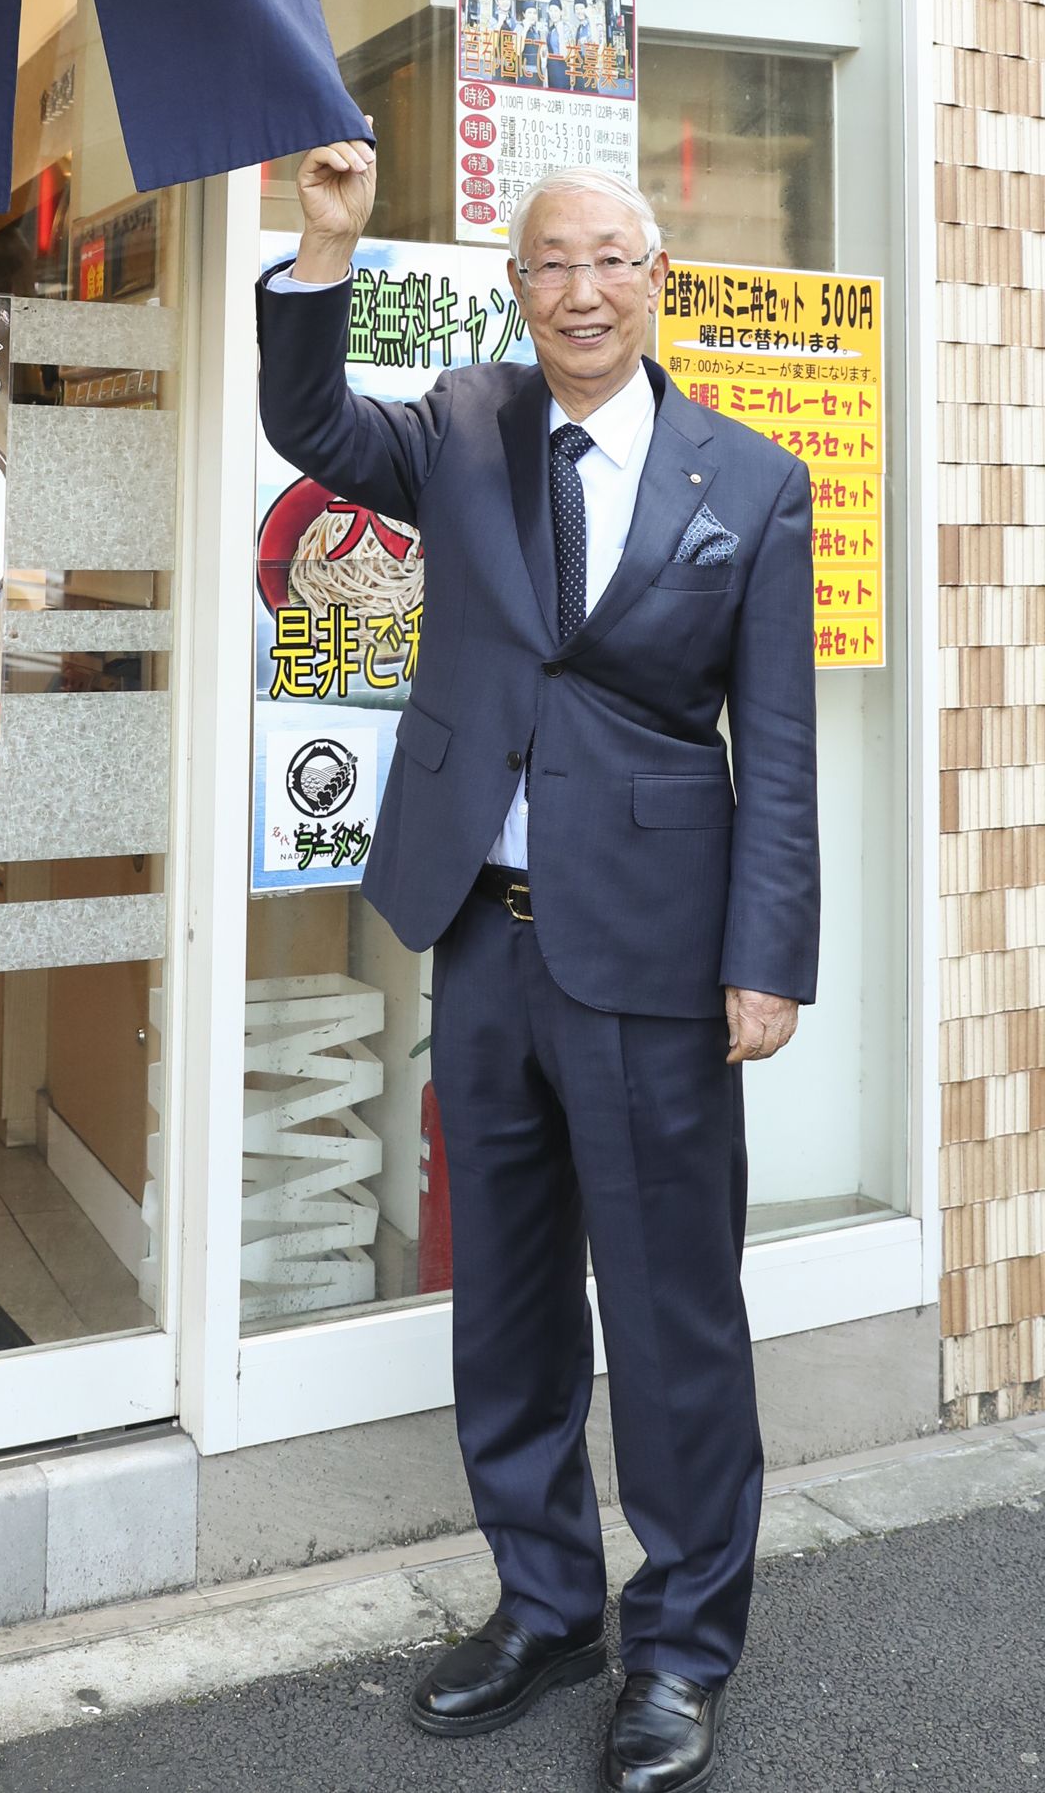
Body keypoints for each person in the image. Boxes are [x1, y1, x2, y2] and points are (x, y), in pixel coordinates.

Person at [256, 128, 819, 1793]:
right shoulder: (463, 426)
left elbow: (775, 748)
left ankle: (685, 1642)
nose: (582, 287)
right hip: (481, 942)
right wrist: (326, 244)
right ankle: (545, 1598)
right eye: (551, 262)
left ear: (661, 280)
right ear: (517, 293)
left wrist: (766, 952)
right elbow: (306, 421)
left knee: (670, 1313)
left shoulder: (754, 479)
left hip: (655, 950)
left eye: (611, 259)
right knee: (502, 1301)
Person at [516, 0, 547, 88]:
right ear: (524, 14)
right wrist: (525, 30)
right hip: (525, 75)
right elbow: (518, 51)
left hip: (538, 74)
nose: (532, 16)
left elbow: (543, 54)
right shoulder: (519, 27)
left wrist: (543, 37)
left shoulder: (537, 31)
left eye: (534, 13)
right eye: (529, 12)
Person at [545, 0, 570, 90]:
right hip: (551, 69)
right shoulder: (550, 29)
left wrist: (561, 33)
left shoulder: (565, 28)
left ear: (561, 12)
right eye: (551, 10)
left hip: (561, 69)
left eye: (556, 10)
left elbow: (564, 54)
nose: (553, 13)